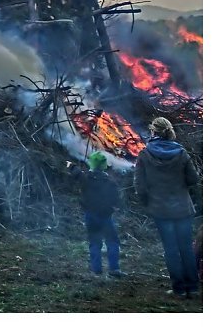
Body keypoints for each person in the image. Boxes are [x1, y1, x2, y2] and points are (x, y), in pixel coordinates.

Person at [134, 116, 200, 297]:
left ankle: (178, 289)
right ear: (169, 131)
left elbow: (139, 186)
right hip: (182, 209)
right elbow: (193, 179)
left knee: (170, 249)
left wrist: (147, 202)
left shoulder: (144, 154)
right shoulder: (181, 153)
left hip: (161, 210)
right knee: (186, 247)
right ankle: (193, 288)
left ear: (153, 132)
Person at [67, 151, 123, 278]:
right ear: (104, 165)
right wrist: (112, 208)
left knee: (94, 242)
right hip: (106, 217)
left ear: (91, 164)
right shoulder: (110, 182)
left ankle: (96, 269)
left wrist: (70, 165)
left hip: (91, 216)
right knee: (112, 242)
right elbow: (116, 200)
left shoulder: (85, 179)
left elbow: (77, 173)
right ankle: (114, 269)